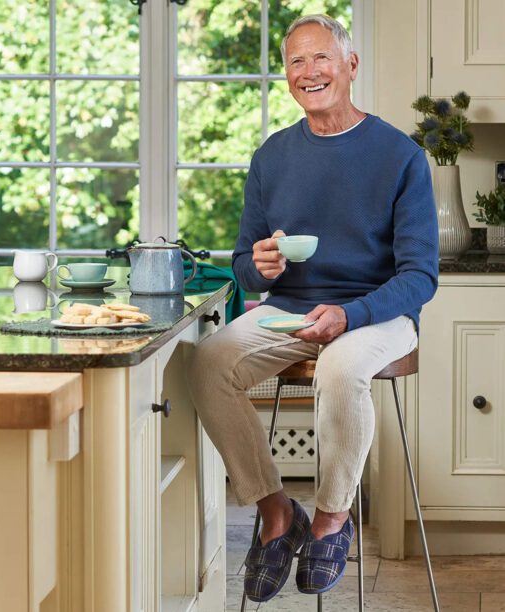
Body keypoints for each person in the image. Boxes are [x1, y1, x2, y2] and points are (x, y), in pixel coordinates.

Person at [189, 13, 438, 603]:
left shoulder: (400, 156)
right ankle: (278, 513)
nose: (309, 72)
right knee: (208, 362)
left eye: (321, 57)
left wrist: (349, 316)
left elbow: (420, 276)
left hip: (378, 314)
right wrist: (260, 266)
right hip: (292, 309)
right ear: (287, 77)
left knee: (341, 367)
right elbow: (243, 266)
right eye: (295, 62)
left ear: (351, 65)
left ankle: (330, 518)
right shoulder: (271, 156)